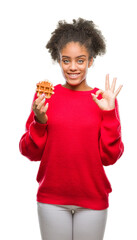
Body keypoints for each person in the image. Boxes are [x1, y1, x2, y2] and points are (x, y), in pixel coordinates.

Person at [19, 18, 124, 240]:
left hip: (93, 200)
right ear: (58, 60)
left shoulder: (102, 99)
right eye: (66, 60)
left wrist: (108, 113)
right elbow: (29, 152)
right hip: (51, 200)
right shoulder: (46, 97)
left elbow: (110, 157)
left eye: (80, 60)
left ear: (91, 61)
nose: (73, 67)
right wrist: (39, 121)